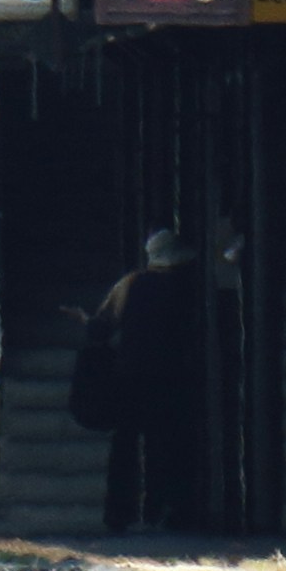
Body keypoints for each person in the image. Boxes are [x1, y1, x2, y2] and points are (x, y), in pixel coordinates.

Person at [70, 227, 205, 535]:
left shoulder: (131, 284)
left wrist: (83, 320)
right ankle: (168, 511)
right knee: (170, 445)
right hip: (176, 378)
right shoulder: (192, 288)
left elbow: (102, 327)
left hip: (132, 376)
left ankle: (119, 513)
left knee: (126, 445)